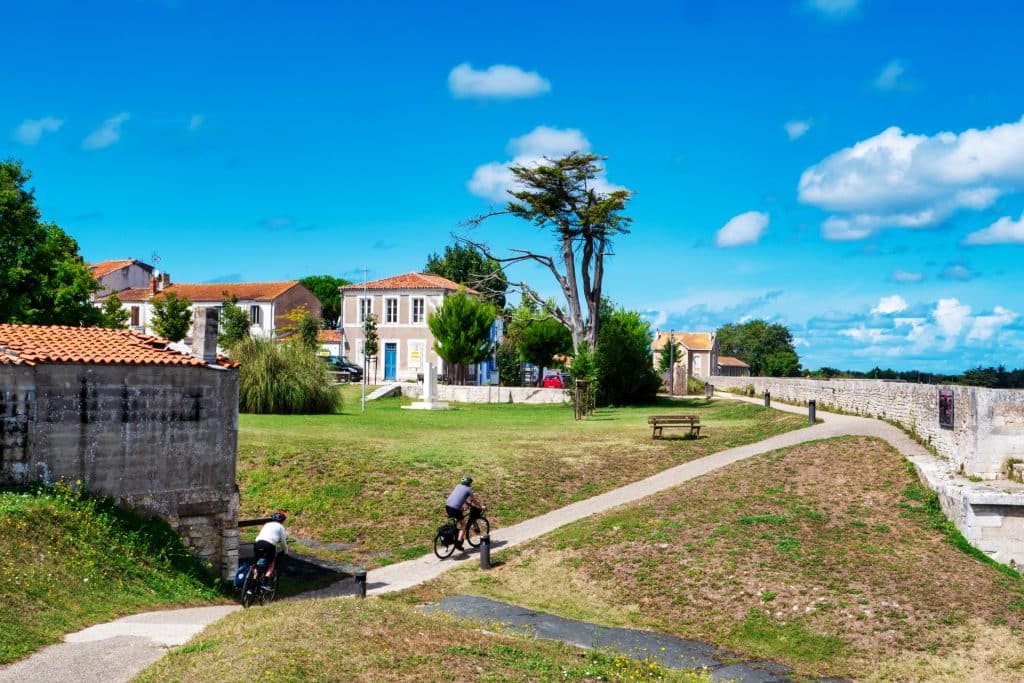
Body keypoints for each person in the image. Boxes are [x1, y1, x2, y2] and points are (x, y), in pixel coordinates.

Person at [445, 476, 485, 551]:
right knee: (464, 524)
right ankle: (458, 542)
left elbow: (460, 497)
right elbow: (474, 500)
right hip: (455, 508)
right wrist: (480, 507)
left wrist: (467, 503)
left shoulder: (458, 486)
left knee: (461, 510)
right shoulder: (468, 489)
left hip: (448, 506)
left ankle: (457, 533)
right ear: (469, 483)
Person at [253, 511, 289, 588]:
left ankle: (252, 584)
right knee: (271, 564)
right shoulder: (281, 527)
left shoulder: (267, 524)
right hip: (269, 545)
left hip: (258, 543)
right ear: (282, 521)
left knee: (257, 564)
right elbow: (283, 542)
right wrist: (286, 552)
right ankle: (265, 583)